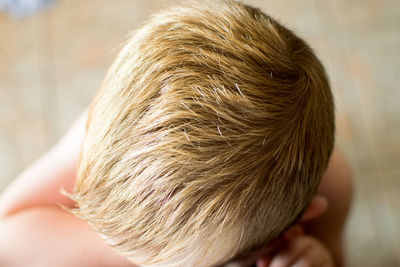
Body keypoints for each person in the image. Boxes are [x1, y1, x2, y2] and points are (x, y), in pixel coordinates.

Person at [0, 1, 353, 266]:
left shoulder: (331, 187)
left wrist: (320, 258)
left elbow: (336, 253)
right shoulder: (113, 135)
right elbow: (7, 233)